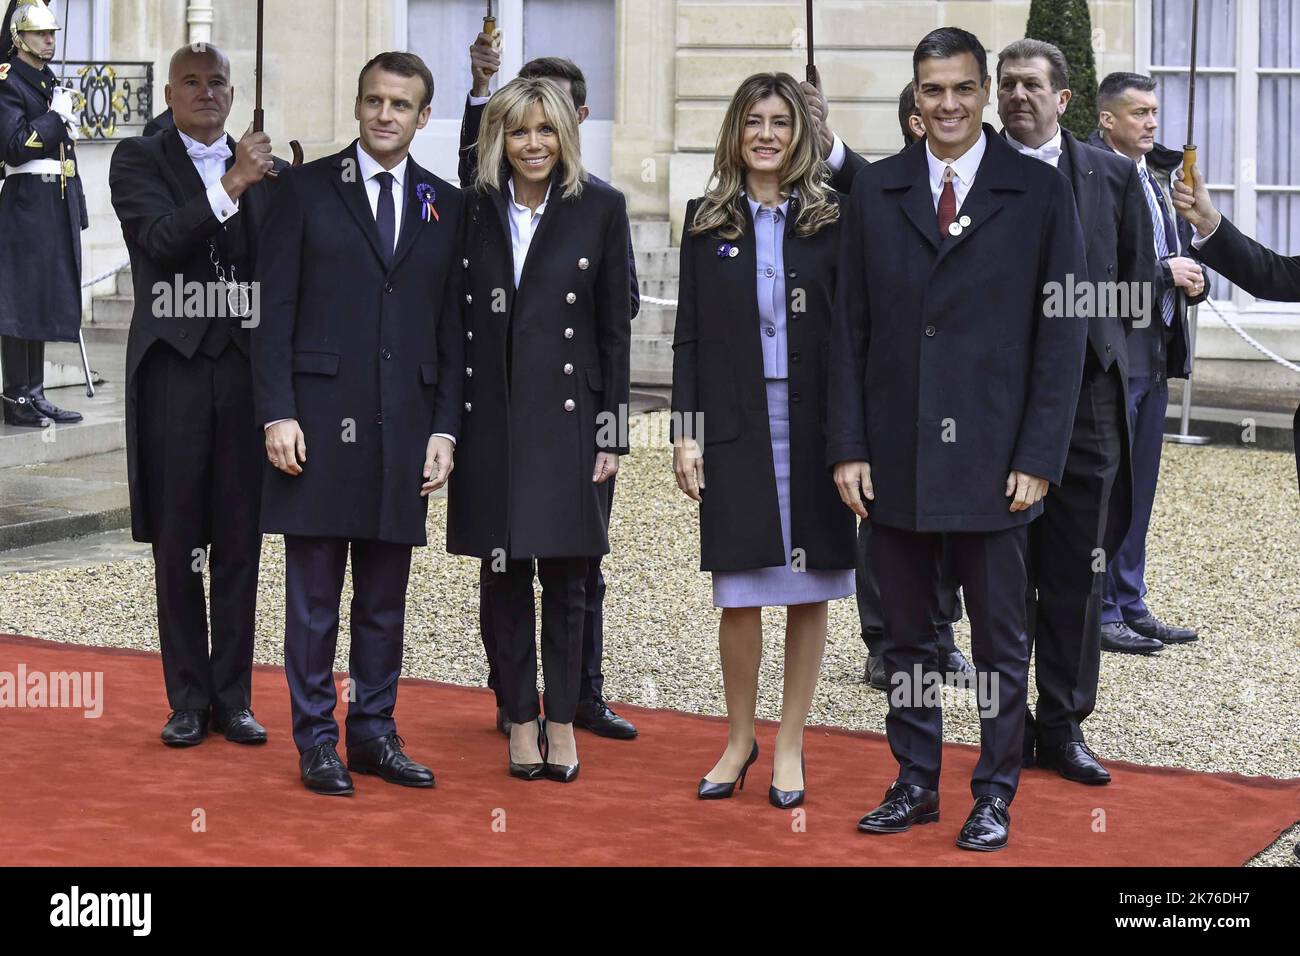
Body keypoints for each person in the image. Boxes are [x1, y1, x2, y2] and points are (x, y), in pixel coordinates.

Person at [828, 27, 1088, 851]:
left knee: (1000, 642)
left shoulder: (1037, 192)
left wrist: (1039, 457)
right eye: (932, 90)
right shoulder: (877, 190)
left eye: (963, 89)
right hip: (897, 456)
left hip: (995, 462)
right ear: (915, 97)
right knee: (908, 638)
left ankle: (993, 793)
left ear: (984, 93)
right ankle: (914, 781)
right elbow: (849, 329)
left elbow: (1063, 337)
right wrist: (849, 445)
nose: (948, 105)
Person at [253, 51, 463, 796]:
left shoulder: (448, 204)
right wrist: (275, 410)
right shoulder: (304, 192)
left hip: (402, 429)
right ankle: (315, 740)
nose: (385, 114)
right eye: (374, 100)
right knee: (313, 603)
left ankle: (373, 732)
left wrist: (445, 430)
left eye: (400, 104)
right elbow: (271, 312)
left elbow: (451, 329)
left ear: (423, 117)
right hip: (314, 424)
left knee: (382, 601)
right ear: (357, 105)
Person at [671, 72, 855, 809]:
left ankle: (789, 743)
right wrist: (686, 434)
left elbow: (853, 333)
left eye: (782, 121)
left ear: (802, 131)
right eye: (754, 121)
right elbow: (688, 338)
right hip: (736, 424)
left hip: (815, 426)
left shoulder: (836, 216)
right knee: (740, 589)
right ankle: (740, 736)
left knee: (811, 589)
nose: (768, 134)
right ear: (735, 132)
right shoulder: (705, 219)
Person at [446, 76, 631, 784]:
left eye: (546, 130)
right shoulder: (472, 210)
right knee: (502, 574)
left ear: (566, 135)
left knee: (569, 576)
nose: (533, 144)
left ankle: (562, 721)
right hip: (489, 416)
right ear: (499, 137)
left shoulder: (602, 208)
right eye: (519, 131)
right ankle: (519, 718)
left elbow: (615, 331)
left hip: (570, 421)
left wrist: (612, 432)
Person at [109, 44, 279, 747]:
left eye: (217, 84)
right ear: (171, 92)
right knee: (180, 538)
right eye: (191, 82)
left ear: (233, 96)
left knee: (239, 540)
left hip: (242, 370)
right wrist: (233, 185)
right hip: (174, 369)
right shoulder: (137, 160)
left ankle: (233, 698)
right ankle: (185, 698)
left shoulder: (268, 169)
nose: (206, 93)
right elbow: (162, 239)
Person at [996, 40, 1155, 784]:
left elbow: (1136, 290)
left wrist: (1071, 318)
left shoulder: (1113, 176)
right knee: (1000, 578)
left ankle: (1061, 728)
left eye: (1031, 85)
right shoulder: (975, 174)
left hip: (1088, 401)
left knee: (1075, 573)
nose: (1016, 96)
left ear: (1064, 100)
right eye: (1007, 85)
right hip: (992, 405)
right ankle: (1004, 730)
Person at [855, 80, 971, 693]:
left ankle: (939, 634)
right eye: (930, 104)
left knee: (949, 523)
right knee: (884, 527)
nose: (947, 114)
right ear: (912, 120)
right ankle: (884, 642)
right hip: (895, 396)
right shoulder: (884, 188)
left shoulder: (974, 186)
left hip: (954, 399)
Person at [1092, 72, 1206, 653]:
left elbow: (1171, 250)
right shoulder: (1093, 174)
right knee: (1111, 489)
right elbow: (1094, 272)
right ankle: (1103, 607)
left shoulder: (1156, 175)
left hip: (1159, 348)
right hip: (1116, 354)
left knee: (1144, 487)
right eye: (1139, 113)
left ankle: (1130, 600)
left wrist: (1192, 273)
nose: (1152, 123)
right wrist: (1166, 273)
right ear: (1107, 118)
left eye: (1154, 112)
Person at [0, 0, 86, 427]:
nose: (51, 40)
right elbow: (14, 146)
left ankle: (34, 392)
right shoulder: (9, 82)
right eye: (41, 34)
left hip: (53, 200)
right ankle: (15, 397)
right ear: (20, 38)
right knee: (19, 302)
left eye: (52, 34)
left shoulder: (47, 79)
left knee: (39, 299)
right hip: (25, 201)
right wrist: (54, 119)